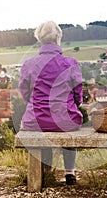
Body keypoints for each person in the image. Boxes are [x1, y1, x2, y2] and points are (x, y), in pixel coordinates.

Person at [18, 20, 83, 185]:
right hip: (65, 119)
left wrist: (34, 106)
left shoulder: (28, 64)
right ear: (58, 38)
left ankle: (45, 170)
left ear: (39, 39)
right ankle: (69, 173)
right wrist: (75, 104)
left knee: (42, 126)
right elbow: (78, 93)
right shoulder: (70, 63)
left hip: (35, 120)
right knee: (66, 125)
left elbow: (24, 92)